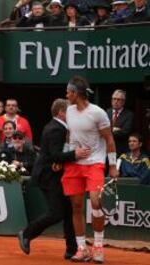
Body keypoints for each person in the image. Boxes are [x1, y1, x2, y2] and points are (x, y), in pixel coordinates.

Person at [18, 98, 90, 259]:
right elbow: (54, 154)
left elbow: (56, 155)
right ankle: (27, 233)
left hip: (56, 174)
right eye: (70, 111)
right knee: (56, 213)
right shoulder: (55, 129)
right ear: (61, 113)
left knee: (69, 211)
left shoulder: (60, 127)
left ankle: (72, 249)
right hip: (48, 176)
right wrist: (75, 154)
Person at [62, 75, 119, 263]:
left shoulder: (98, 113)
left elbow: (109, 139)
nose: (66, 94)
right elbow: (70, 135)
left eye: (69, 92)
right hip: (74, 165)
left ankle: (98, 245)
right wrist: (67, 155)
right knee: (76, 206)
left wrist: (112, 165)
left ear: (76, 93)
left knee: (95, 202)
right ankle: (81, 248)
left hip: (95, 163)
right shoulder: (69, 111)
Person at [106, 89, 134, 155]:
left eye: (118, 99)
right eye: (114, 99)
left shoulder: (129, 114)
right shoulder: (106, 112)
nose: (115, 101)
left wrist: (108, 132)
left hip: (121, 150)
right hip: (106, 149)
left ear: (123, 102)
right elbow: (101, 129)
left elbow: (125, 132)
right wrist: (114, 130)